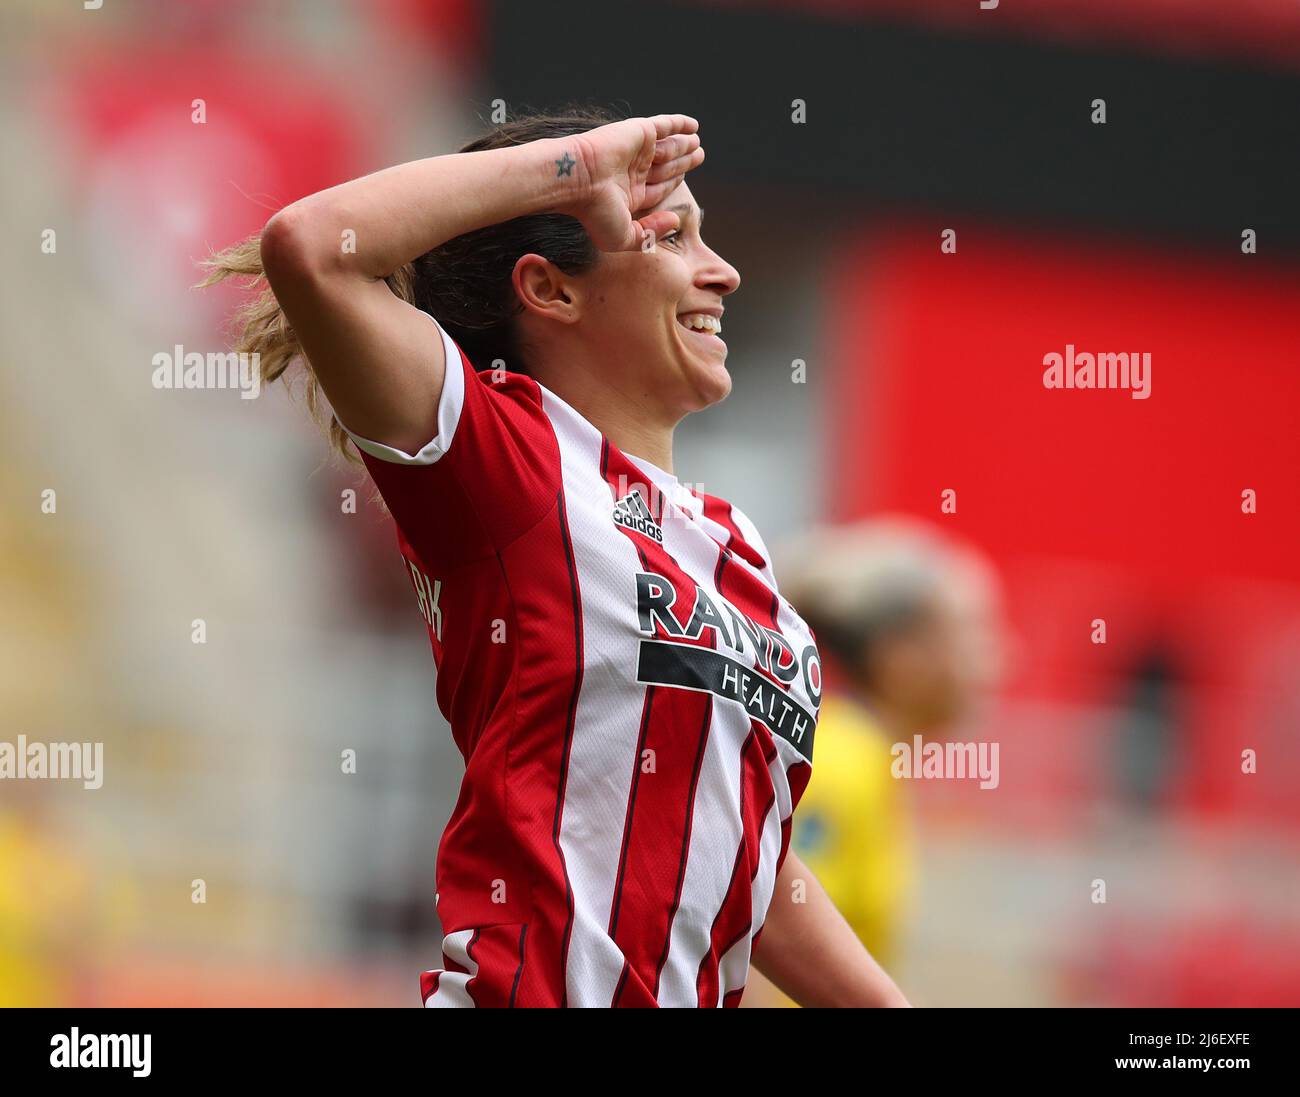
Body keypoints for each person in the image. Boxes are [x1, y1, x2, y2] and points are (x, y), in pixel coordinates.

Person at [205, 107, 907, 1008]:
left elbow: (738, 849)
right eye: (672, 237)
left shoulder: (743, 551)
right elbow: (310, 246)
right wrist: (575, 169)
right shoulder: (510, 461)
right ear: (550, 290)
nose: (721, 270)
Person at [747, 517, 1005, 1006]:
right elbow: (765, 942)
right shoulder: (844, 763)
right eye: (970, 634)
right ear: (899, 656)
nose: (996, 658)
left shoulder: (867, 757)